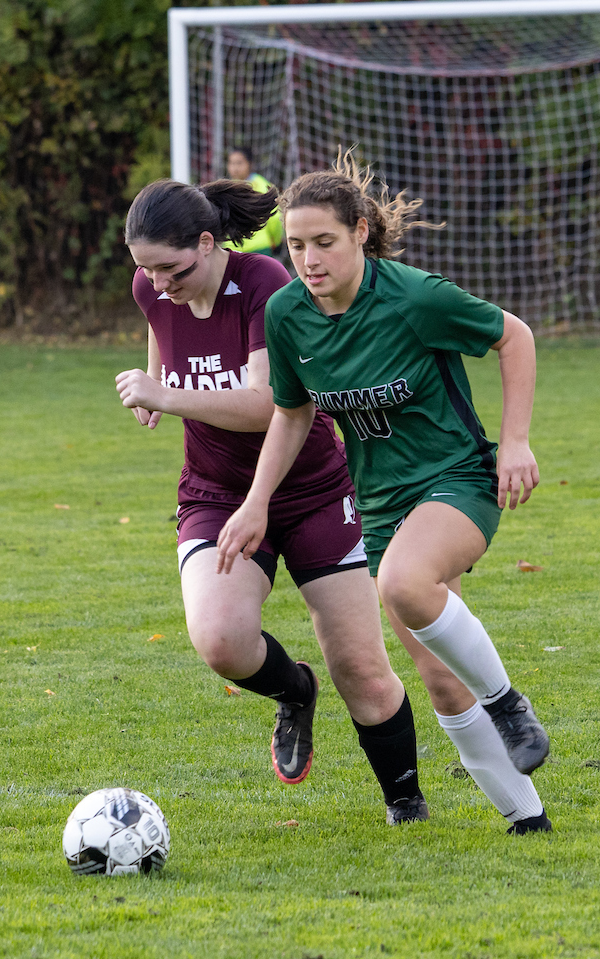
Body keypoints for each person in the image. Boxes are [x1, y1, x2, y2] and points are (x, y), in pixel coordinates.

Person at [216, 151, 552, 832]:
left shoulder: (412, 296)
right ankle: (527, 820)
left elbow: (512, 337)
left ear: (360, 233)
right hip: (380, 506)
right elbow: (290, 412)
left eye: (324, 243)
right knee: (436, 678)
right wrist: (254, 502)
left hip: (455, 478)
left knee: (402, 583)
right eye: (297, 245)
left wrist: (514, 442)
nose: (308, 259)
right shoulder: (286, 314)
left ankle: (508, 702)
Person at [226, 147, 283, 256]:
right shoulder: (227, 189)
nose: (235, 168)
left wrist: (275, 241)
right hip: (232, 249)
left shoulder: (261, 186)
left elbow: (274, 217)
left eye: (239, 163)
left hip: (259, 248)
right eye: (231, 163)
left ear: (250, 164)